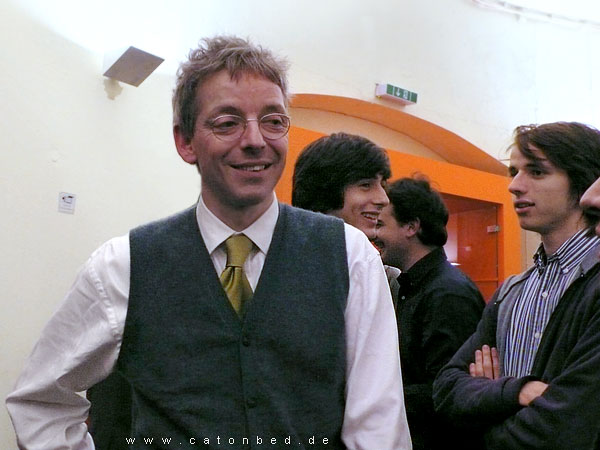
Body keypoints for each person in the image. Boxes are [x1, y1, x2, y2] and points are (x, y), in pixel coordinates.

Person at [6, 36, 412, 450]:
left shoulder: (349, 257)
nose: (255, 139)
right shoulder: (123, 266)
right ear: (185, 142)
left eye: (273, 121)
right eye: (227, 122)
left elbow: (379, 427)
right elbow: (39, 403)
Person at [433, 121, 600, 449]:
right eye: (514, 172)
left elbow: (567, 426)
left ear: (584, 180)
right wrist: (515, 391)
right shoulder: (512, 291)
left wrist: (484, 414)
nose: (515, 186)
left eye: (537, 172)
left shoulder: (593, 281)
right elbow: (447, 389)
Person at [373, 176, 485, 450]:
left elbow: (446, 389)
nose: (374, 235)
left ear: (411, 227)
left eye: (381, 224)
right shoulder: (410, 287)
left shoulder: (448, 294)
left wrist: (373, 396)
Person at [291, 132, 391, 240]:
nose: (384, 200)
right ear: (325, 191)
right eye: (366, 185)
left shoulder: (362, 250)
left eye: (383, 185)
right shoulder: (284, 247)